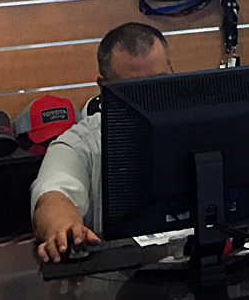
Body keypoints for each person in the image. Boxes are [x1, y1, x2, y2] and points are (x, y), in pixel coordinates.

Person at [31, 22, 174, 262]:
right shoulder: (80, 144)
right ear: (104, 87)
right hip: (115, 283)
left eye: (160, 82)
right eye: (134, 89)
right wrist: (64, 229)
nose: (152, 97)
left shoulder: (202, 128)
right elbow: (52, 193)